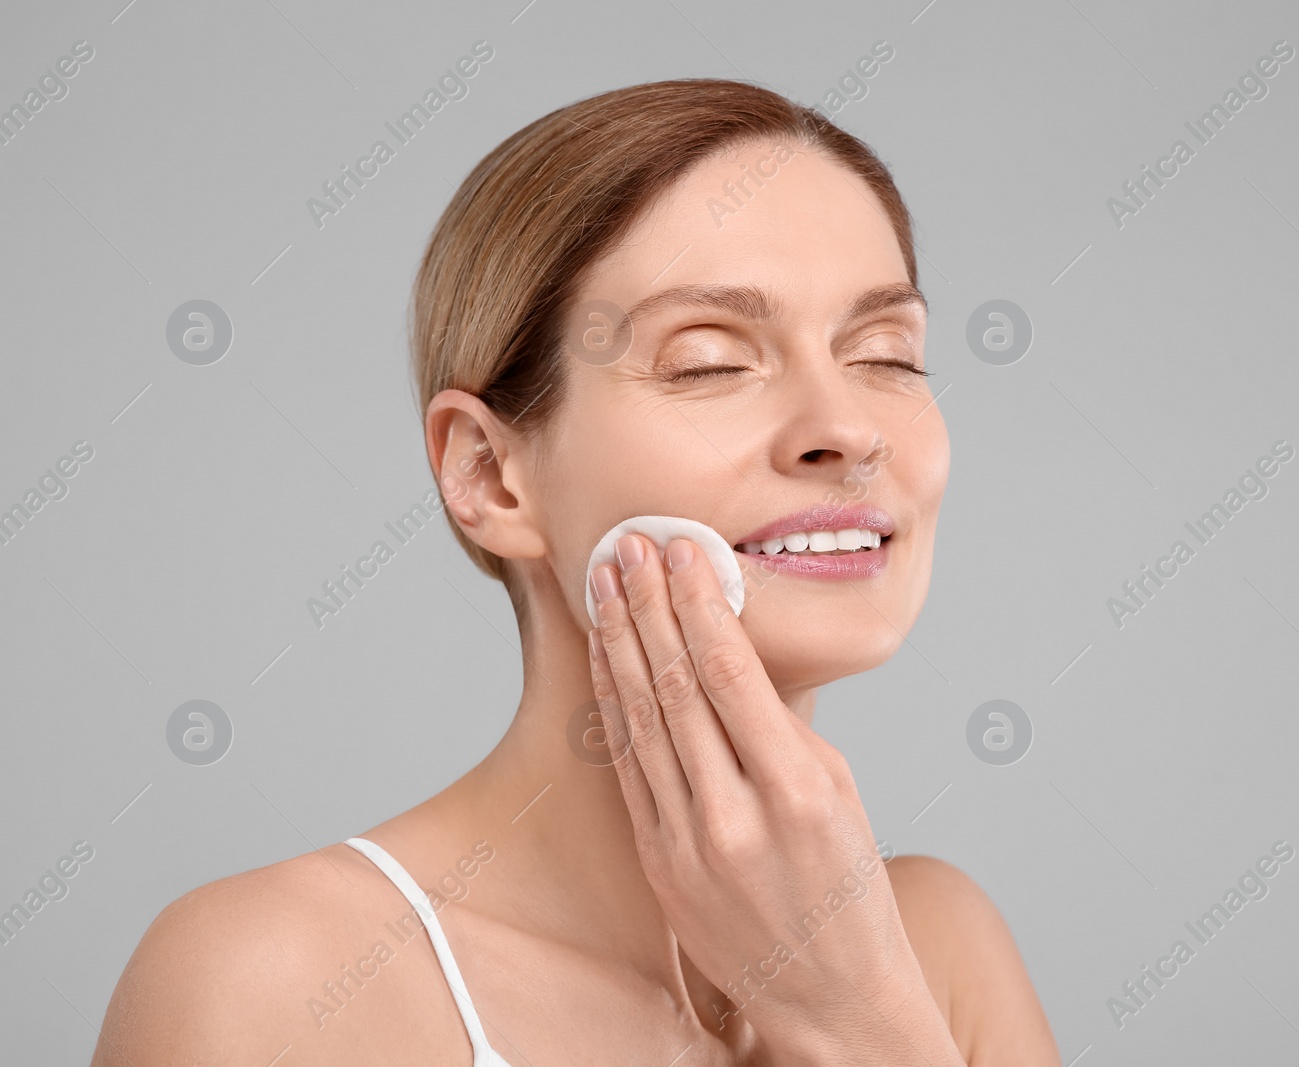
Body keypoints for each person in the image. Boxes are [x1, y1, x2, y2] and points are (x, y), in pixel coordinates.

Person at [94, 78, 1060, 1064]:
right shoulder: (278, 979)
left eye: (886, 356)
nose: (848, 430)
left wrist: (856, 1014)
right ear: (491, 474)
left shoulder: (935, 947)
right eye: (708, 361)